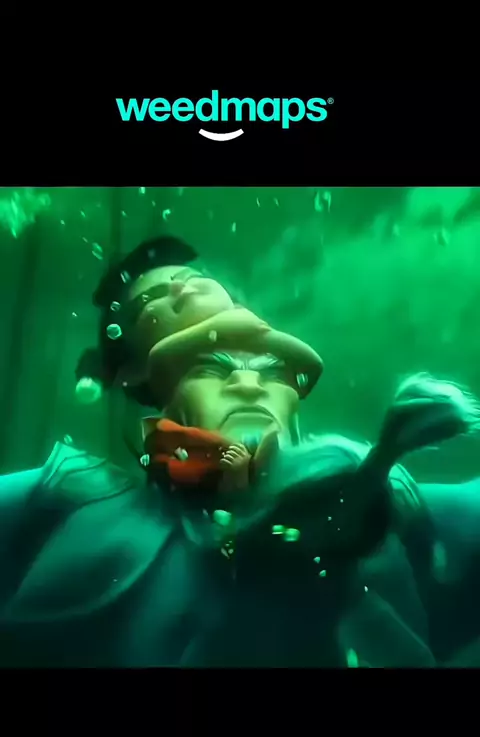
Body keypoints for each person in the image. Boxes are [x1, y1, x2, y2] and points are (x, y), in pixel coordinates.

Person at [0, 236, 480, 668]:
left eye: (269, 370)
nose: (249, 383)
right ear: (136, 373)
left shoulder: (391, 502)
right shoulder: (70, 502)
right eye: (212, 367)